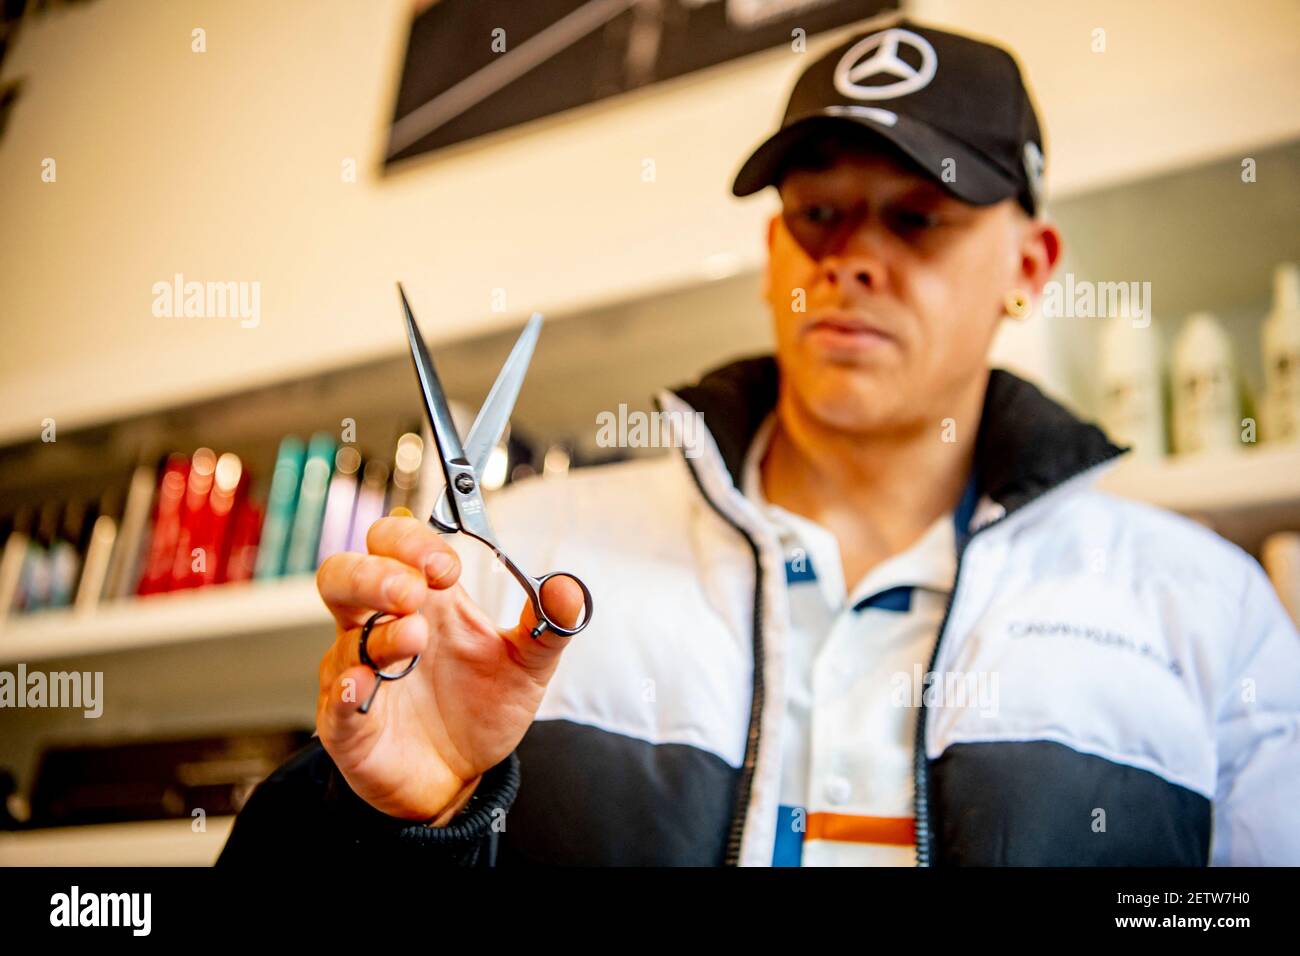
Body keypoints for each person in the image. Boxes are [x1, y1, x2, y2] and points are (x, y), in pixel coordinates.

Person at [217, 17, 1300, 867]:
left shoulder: (1202, 605)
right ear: (774, 247)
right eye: (816, 214)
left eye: (917, 217)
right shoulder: (521, 573)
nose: (851, 259)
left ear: (1030, 265)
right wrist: (396, 818)